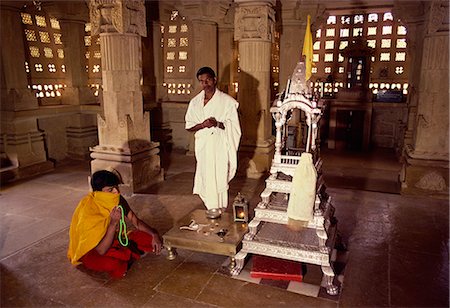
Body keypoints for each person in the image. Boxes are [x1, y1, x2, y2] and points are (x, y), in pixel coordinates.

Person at [67, 170, 162, 279]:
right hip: (92, 250)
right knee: (113, 264)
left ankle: (127, 254)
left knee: (151, 238)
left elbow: (136, 221)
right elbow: (101, 250)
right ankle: (127, 254)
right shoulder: (89, 209)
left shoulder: (117, 199)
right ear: (99, 192)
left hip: (113, 238)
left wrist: (154, 234)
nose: (116, 192)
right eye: (110, 189)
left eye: (116, 187)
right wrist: (113, 223)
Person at [185, 66, 241, 215]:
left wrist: (217, 124)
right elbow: (189, 126)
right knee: (205, 175)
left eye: (208, 80)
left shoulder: (227, 101)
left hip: (219, 145)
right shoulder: (195, 102)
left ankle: (219, 207)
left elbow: (234, 126)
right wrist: (203, 125)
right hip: (203, 146)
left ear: (214, 80)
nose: (205, 84)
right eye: (202, 81)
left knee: (218, 175)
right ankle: (210, 207)